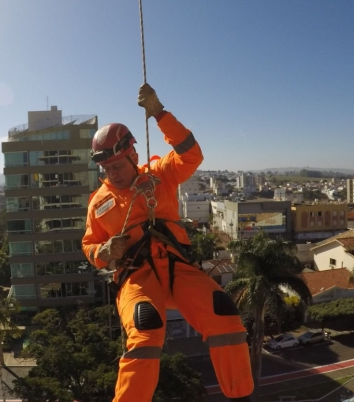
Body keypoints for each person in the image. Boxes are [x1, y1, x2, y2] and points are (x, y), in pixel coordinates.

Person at [82, 83, 254, 402]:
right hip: (137, 278)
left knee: (225, 315)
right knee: (146, 330)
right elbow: (90, 247)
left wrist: (160, 114)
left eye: (117, 166)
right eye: (106, 168)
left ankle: (241, 396)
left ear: (133, 156)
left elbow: (191, 154)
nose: (112, 174)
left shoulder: (159, 175)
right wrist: (104, 252)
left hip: (177, 270)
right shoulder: (99, 203)